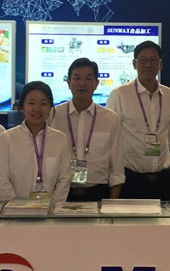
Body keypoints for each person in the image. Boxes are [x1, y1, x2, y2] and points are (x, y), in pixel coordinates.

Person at [107, 40, 170, 200]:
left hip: (162, 179)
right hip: (131, 180)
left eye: (153, 60)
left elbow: (168, 133)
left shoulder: (169, 95)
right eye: (143, 60)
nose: (148, 65)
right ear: (134, 64)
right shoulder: (120, 94)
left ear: (160, 64)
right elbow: (111, 138)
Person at [51, 58, 125, 201]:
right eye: (77, 78)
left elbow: (116, 169)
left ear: (96, 84)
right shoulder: (54, 116)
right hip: (61, 194)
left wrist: (112, 205)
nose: (82, 83)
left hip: (97, 193)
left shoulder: (110, 118)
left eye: (88, 78)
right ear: (68, 82)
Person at [0, 81, 71, 201]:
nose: (37, 109)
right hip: (14, 210)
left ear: (50, 108)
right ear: (22, 106)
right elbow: (2, 180)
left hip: (51, 210)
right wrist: (17, 207)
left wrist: (50, 207)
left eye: (43, 104)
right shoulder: (7, 138)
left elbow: (64, 180)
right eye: (31, 103)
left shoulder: (61, 139)